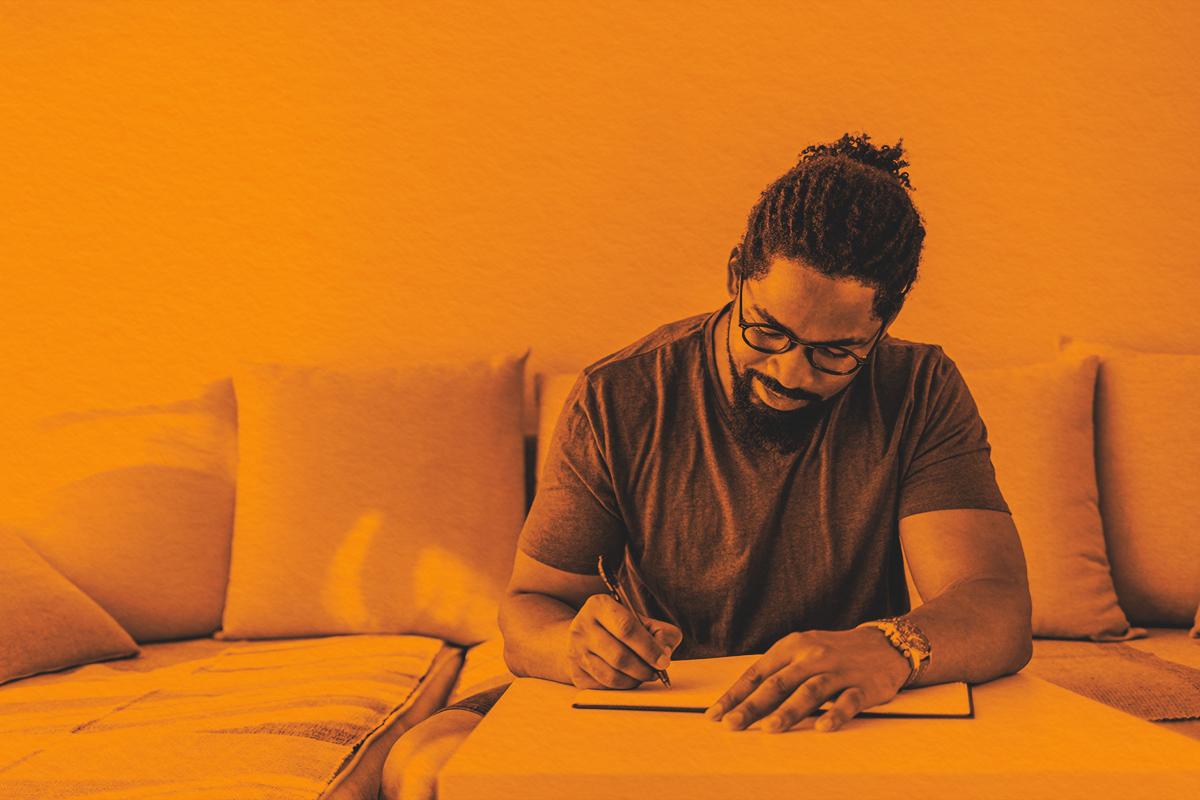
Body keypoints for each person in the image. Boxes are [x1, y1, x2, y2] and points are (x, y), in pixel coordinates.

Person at [380, 133, 1032, 798]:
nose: (789, 372)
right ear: (734, 276)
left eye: (836, 352)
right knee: (425, 760)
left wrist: (888, 648)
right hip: (654, 709)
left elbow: (998, 607)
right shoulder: (620, 395)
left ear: (882, 330)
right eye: (768, 331)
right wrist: (574, 647)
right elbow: (530, 607)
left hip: (834, 722)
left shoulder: (917, 387)